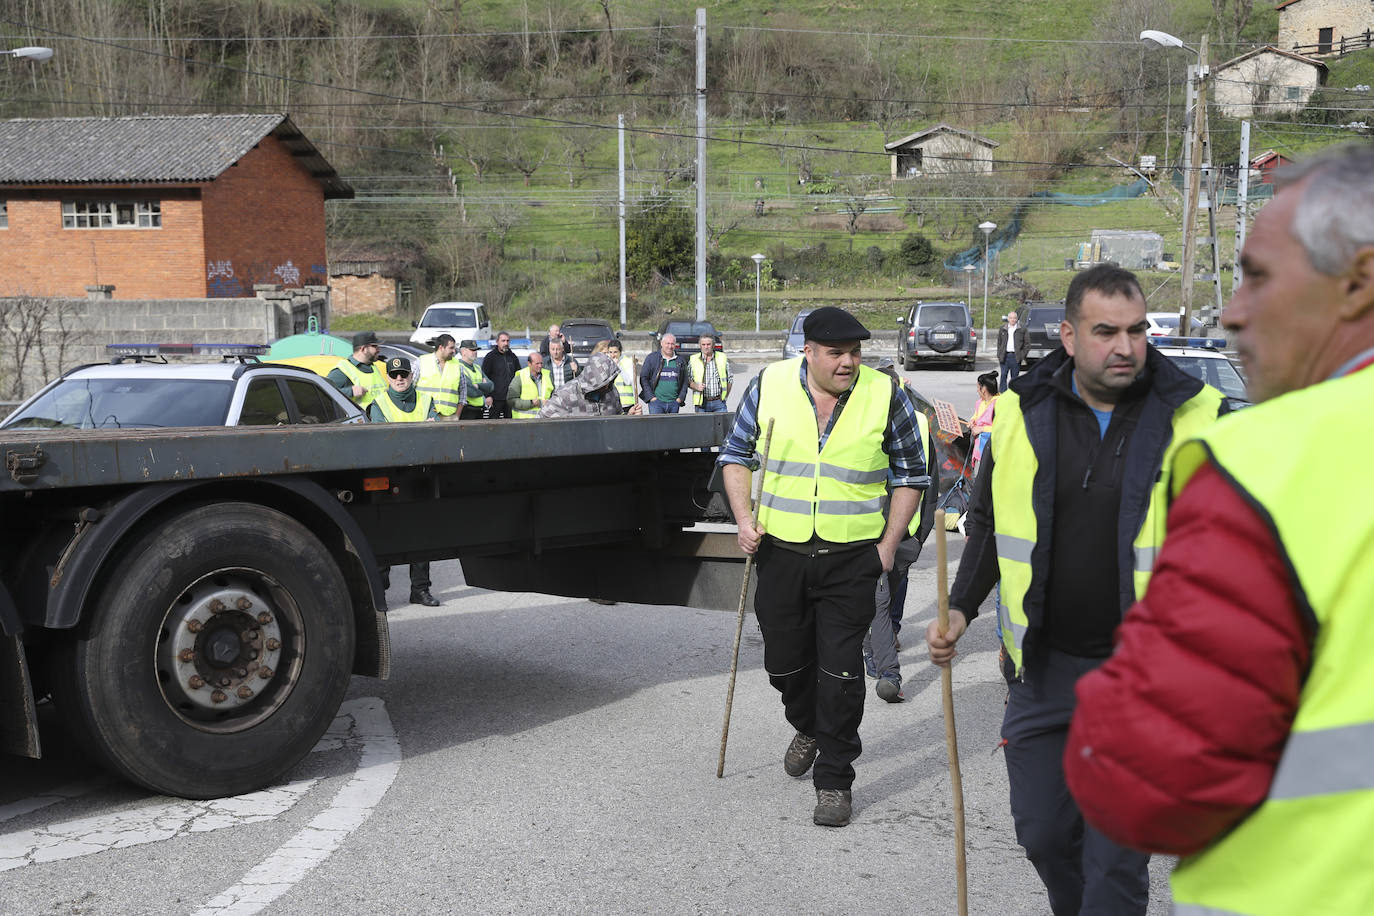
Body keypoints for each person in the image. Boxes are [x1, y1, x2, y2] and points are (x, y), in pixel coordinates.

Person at [1064, 145, 1374, 916]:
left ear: (1358, 282)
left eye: (1259, 275)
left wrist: (1107, 697)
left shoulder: (1270, 461)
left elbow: (1148, 784)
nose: (1233, 310)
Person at [924, 264, 1227, 915]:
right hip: (1042, 669)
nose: (1126, 346)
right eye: (1106, 331)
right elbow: (990, 527)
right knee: (1042, 833)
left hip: (1142, 679)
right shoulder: (1019, 414)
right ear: (1067, 336)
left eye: (1137, 330)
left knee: (1114, 859)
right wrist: (959, 606)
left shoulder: (1194, 416)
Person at [718, 306, 928, 828]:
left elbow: (911, 474)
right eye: (836, 353)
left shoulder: (884, 393)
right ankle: (807, 724)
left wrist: (887, 546)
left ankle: (834, 780)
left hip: (852, 558)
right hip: (781, 553)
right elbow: (735, 455)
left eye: (855, 353)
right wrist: (744, 519)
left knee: (840, 674)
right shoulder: (769, 385)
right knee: (784, 665)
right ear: (807, 351)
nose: (848, 363)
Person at [862, 361, 937, 704]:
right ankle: (884, 661)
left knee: (882, 594)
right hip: (897, 530)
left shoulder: (875, 419)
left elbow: (928, 481)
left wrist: (921, 533)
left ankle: (879, 650)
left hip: (896, 530)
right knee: (880, 594)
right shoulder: (919, 420)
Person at [368, 356, 440, 607]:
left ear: (411, 376)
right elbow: (382, 442)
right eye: (394, 375)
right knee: (386, 536)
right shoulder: (378, 404)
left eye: (403, 374)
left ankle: (420, 590)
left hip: (420, 475)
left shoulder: (426, 400)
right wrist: (420, 431)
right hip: (389, 478)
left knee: (420, 535)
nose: (399, 379)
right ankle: (379, 593)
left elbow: (435, 433)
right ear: (388, 377)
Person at [538, 352, 635, 418]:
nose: (607, 386)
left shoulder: (612, 391)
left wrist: (629, 416)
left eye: (609, 381)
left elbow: (617, 418)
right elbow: (541, 418)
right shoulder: (566, 394)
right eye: (603, 383)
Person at [327, 330, 384, 410]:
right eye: (374, 346)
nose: (379, 349)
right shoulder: (342, 371)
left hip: (380, 420)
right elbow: (325, 393)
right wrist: (350, 391)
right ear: (363, 349)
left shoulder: (373, 367)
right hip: (362, 421)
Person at [416, 334, 463, 419]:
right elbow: (409, 386)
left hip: (448, 417)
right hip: (424, 415)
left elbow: (463, 394)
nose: (454, 351)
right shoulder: (421, 362)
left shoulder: (458, 365)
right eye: (451, 348)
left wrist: (456, 416)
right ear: (441, 348)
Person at [639, 333, 688, 414]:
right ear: (661, 343)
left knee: (672, 427)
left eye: (672, 344)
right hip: (656, 403)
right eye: (667, 343)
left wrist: (680, 398)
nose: (670, 346)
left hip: (674, 403)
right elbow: (643, 378)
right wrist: (651, 397)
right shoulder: (652, 358)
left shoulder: (680, 360)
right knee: (656, 426)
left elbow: (685, 381)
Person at [687, 333, 732, 413]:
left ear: (713, 345)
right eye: (703, 344)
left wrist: (724, 397)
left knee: (722, 425)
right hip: (701, 403)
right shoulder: (693, 359)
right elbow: (688, 380)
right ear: (700, 345)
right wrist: (696, 386)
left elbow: (729, 379)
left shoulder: (722, 357)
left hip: (719, 402)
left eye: (708, 344)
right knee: (702, 426)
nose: (706, 347)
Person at [482, 331, 522, 419]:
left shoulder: (513, 357)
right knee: (494, 427)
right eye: (503, 341)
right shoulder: (490, 357)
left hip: (511, 399)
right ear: (497, 342)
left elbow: (519, 376)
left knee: (511, 426)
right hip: (495, 400)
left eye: (508, 341)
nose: (506, 343)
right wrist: (487, 396)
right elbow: (484, 377)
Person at [454, 339, 494, 420]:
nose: (475, 352)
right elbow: (470, 391)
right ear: (463, 351)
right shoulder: (458, 367)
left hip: (480, 410)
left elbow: (491, 386)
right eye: (472, 350)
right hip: (466, 410)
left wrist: (477, 386)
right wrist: (483, 388)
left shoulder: (477, 367)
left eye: (476, 350)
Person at [968, 370, 998, 471]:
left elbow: (1001, 428)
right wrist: (972, 421)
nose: (977, 390)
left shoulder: (999, 403)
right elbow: (976, 415)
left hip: (993, 451)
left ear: (984, 389)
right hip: (979, 450)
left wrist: (981, 429)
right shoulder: (980, 402)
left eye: (978, 387)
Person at [507, 352, 552, 419]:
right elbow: (511, 400)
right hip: (524, 422)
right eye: (537, 364)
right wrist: (531, 403)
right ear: (529, 364)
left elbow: (554, 395)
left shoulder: (548, 375)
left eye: (541, 363)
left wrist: (549, 401)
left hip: (544, 419)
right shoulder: (520, 377)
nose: (540, 366)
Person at [997, 310, 1028, 392]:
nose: (1012, 320)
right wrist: (999, 354)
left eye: (1014, 318)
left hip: (1016, 357)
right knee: (1003, 375)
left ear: (1017, 319)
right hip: (1005, 356)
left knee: (1014, 377)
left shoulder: (1022, 329)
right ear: (1008, 319)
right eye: (1011, 318)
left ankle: (1013, 393)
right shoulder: (1003, 329)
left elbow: (1027, 344)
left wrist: (1022, 355)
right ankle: (1003, 394)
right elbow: (999, 343)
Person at [605, 339, 638, 414]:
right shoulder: (606, 362)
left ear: (620, 352)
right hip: (612, 403)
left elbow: (628, 381)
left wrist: (618, 366)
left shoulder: (627, 361)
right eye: (610, 352)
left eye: (615, 352)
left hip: (626, 403)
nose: (613, 355)